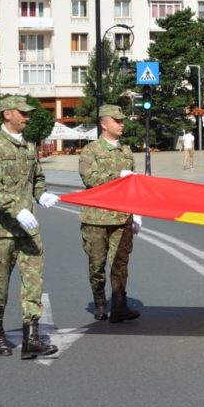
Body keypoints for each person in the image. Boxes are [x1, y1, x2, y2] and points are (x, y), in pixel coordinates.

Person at [0, 95, 59, 359]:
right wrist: (16, 209)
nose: (27, 117)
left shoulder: (28, 147)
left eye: (27, 113)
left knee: (33, 281)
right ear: (7, 114)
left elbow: (37, 177)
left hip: (27, 229)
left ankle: (31, 337)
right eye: (22, 113)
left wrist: (41, 193)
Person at [78, 105, 142, 323]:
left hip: (122, 216)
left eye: (122, 120)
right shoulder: (91, 151)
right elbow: (90, 179)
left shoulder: (126, 151)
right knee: (97, 264)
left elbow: (133, 185)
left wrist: (137, 212)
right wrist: (118, 175)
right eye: (117, 120)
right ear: (104, 124)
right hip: (96, 217)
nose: (122, 124)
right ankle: (99, 301)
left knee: (120, 263)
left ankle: (119, 305)